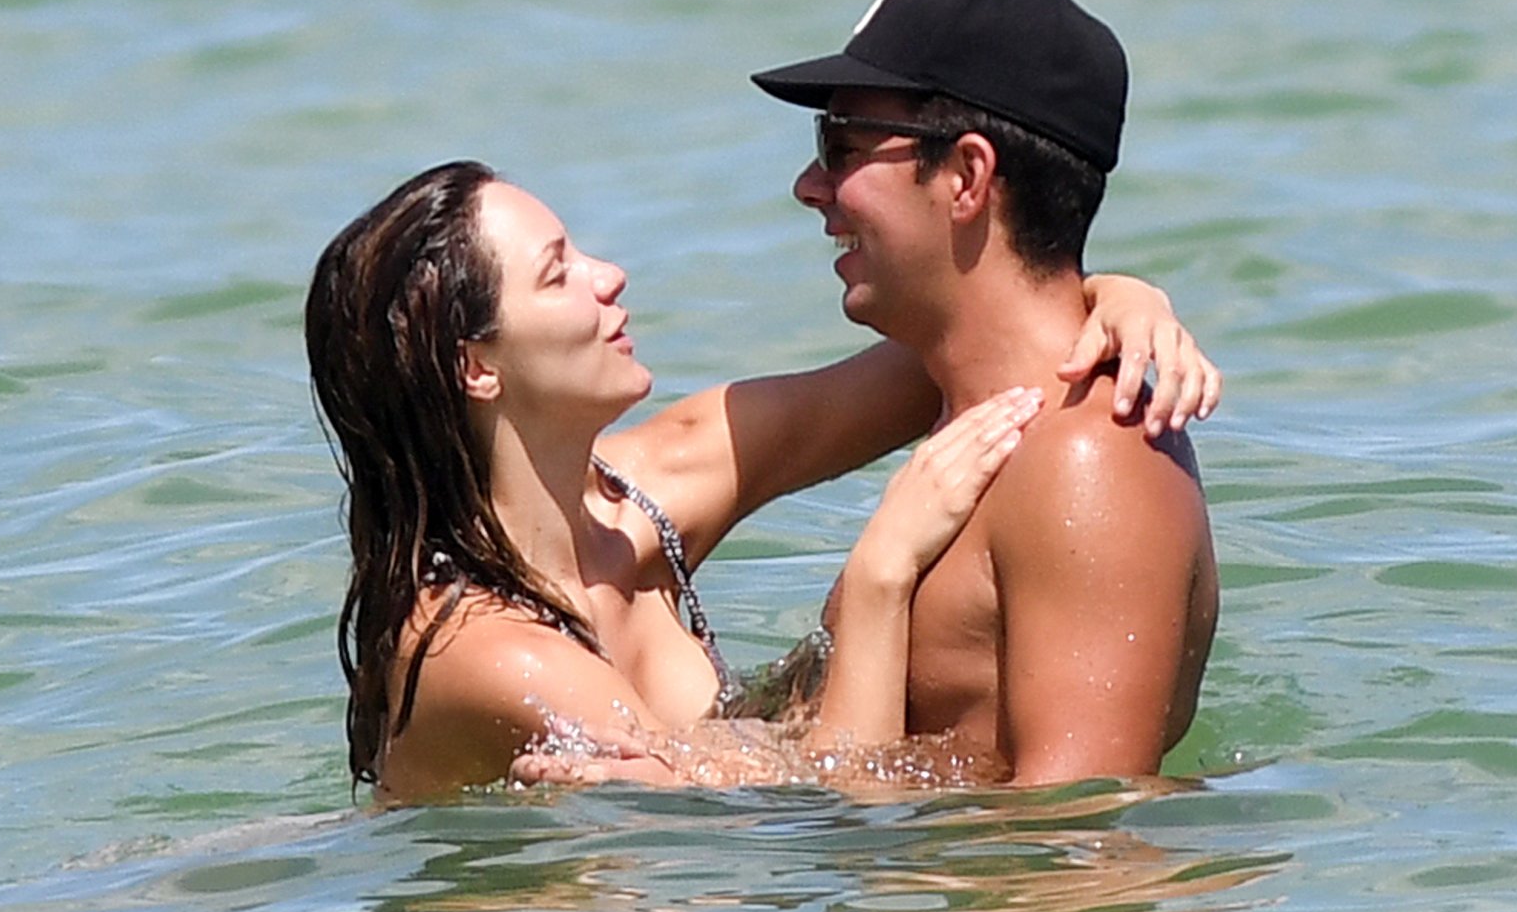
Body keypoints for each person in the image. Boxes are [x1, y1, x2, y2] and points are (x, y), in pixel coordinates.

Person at [305, 158, 1217, 802]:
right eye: (557, 276)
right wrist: (882, 574)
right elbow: (831, 807)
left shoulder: (648, 491)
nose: (608, 276)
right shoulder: (489, 654)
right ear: (477, 368)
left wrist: (1121, 302)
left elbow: (978, 337)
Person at [750, 0, 1219, 785]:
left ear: (967, 176)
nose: (810, 185)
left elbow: (1079, 835)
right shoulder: (970, 406)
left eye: (842, 145)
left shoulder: (1087, 463)